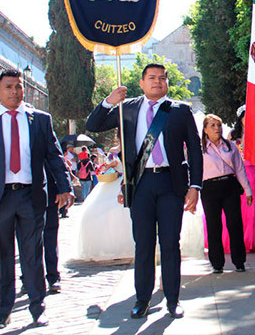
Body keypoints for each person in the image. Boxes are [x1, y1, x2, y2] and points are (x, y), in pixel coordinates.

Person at [86, 63, 202, 319]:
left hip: (172, 183)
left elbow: (194, 149)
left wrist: (195, 185)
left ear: (167, 83)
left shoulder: (180, 111)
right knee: (144, 244)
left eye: (162, 78)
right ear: (142, 82)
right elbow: (93, 125)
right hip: (140, 185)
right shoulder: (126, 108)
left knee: (171, 243)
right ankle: (142, 298)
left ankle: (173, 299)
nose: (157, 82)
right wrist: (108, 101)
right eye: (151, 78)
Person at [0, 69, 73, 329]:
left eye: (19, 87)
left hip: (30, 196)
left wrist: (64, 187)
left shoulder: (40, 120)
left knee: (33, 254)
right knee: (0, 256)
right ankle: (2, 310)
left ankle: (37, 308)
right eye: (9, 87)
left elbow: (54, 157)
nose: (15, 91)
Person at [201, 114, 252, 273]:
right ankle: (217, 263)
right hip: (209, 188)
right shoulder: (199, 148)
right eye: (212, 125)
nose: (216, 128)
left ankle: (239, 261)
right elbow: (193, 171)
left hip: (230, 186)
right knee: (213, 226)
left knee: (235, 224)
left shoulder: (229, 146)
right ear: (205, 130)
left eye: (218, 125)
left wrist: (248, 190)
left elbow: (240, 169)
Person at [222, 107, 255, 258]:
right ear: (240, 119)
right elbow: (228, 154)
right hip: (239, 171)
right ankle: (241, 241)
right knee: (241, 209)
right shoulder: (233, 135)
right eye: (245, 117)